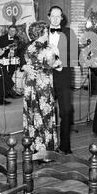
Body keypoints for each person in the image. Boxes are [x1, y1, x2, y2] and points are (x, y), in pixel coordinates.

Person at [22, 21, 61, 153]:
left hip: (30, 87)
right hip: (42, 86)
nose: (48, 34)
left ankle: (33, 148)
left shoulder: (29, 47)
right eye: (46, 31)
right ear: (42, 33)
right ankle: (46, 151)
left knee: (32, 116)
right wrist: (58, 61)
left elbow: (28, 62)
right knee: (45, 116)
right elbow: (55, 64)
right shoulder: (47, 49)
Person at [48, 6, 75, 155]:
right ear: (48, 17)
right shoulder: (42, 32)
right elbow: (28, 50)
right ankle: (47, 146)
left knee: (66, 111)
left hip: (63, 76)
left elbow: (74, 55)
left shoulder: (69, 33)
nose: (56, 19)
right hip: (45, 77)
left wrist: (60, 54)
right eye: (53, 16)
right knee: (45, 112)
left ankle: (65, 146)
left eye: (58, 16)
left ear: (62, 18)